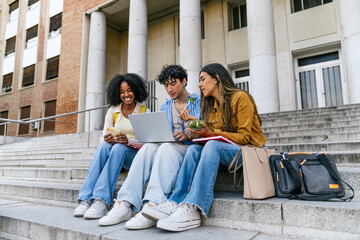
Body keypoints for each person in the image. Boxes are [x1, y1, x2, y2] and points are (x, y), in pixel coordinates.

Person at [155, 63, 267, 232]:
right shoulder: (210, 105)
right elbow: (213, 133)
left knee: (213, 145)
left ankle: (194, 207)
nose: (199, 85)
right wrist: (197, 127)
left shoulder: (240, 97)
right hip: (226, 149)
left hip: (249, 151)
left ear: (216, 79)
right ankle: (176, 201)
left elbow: (244, 138)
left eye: (202, 79)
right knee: (193, 149)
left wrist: (209, 132)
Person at [98, 65, 201, 229]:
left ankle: (153, 203)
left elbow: (205, 128)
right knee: (148, 147)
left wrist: (189, 133)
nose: (169, 89)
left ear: (184, 81)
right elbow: (160, 133)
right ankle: (125, 202)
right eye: (166, 85)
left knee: (166, 148)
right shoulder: (166, 106)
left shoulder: (198, 101)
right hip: (167, 147)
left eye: (173, 83)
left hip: (189, 148)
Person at [74, 73, 150, 219]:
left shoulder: (144, 111)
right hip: (114, 154)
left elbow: (148, 144)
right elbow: (104, 138)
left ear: (136, 90)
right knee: (102, 147)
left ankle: (102, 201)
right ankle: (85, 199)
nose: (126, 94)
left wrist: (128, 141)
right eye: (122, 92)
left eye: (129, 90)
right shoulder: (113, 111)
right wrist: (108, 138)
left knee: (119, 147)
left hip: (134, 157)